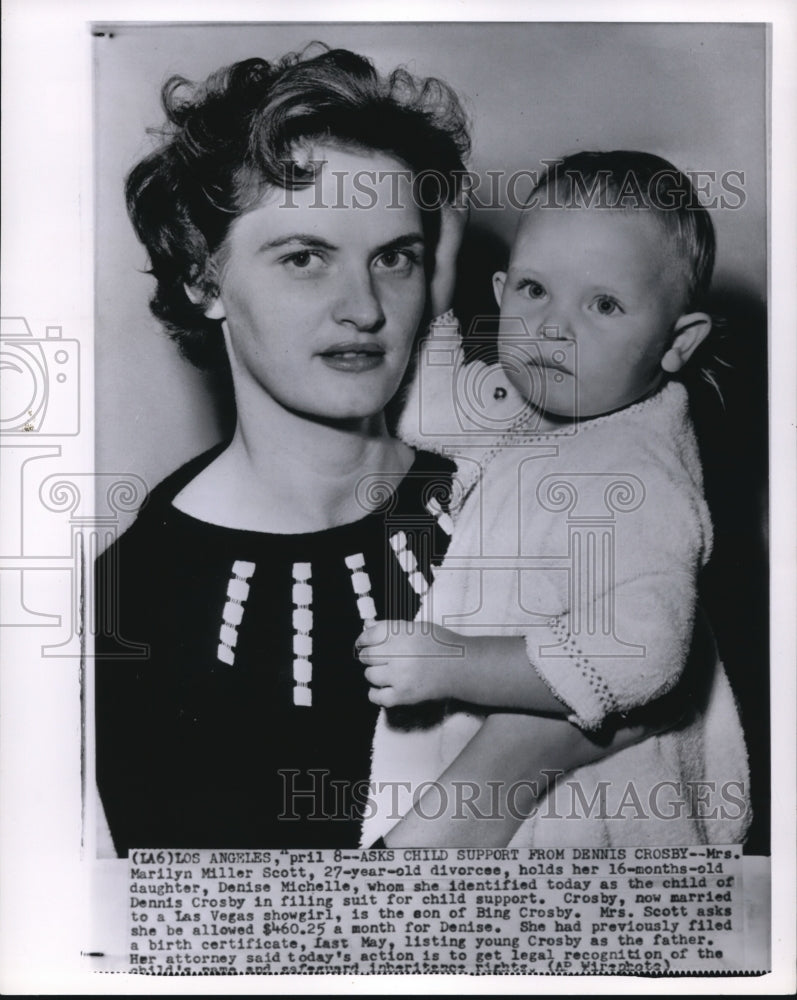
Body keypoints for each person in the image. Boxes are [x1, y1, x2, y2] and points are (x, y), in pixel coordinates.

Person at [94, 49, 662, 856]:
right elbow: (244, 961)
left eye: (392, 256)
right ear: (202, 277)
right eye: (303, 258)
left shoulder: (535, 482)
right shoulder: (133, 597)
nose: (362, 307)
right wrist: (519, 759)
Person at [360, 151, 750, 847]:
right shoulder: (534, 408)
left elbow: (644, 651)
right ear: (502, 291)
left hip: (602, 827)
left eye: (602, 304)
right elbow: (424, 406)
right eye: (535, 291)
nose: (552, 327)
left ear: (675, 342)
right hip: (505, 813)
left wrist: (454, 661)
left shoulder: (639, 467)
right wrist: (437, 286)